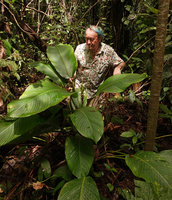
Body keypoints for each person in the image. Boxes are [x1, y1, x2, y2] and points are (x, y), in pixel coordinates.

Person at [74, 25, 125, 105]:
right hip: (78, 92)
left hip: (96, 94)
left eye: (91, 39)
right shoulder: (79, 49)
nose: (88, 42)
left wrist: (117, 68)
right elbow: (73, 65)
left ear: (99, 39)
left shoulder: (108, 51)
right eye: (86, 38)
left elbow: (120, 63)